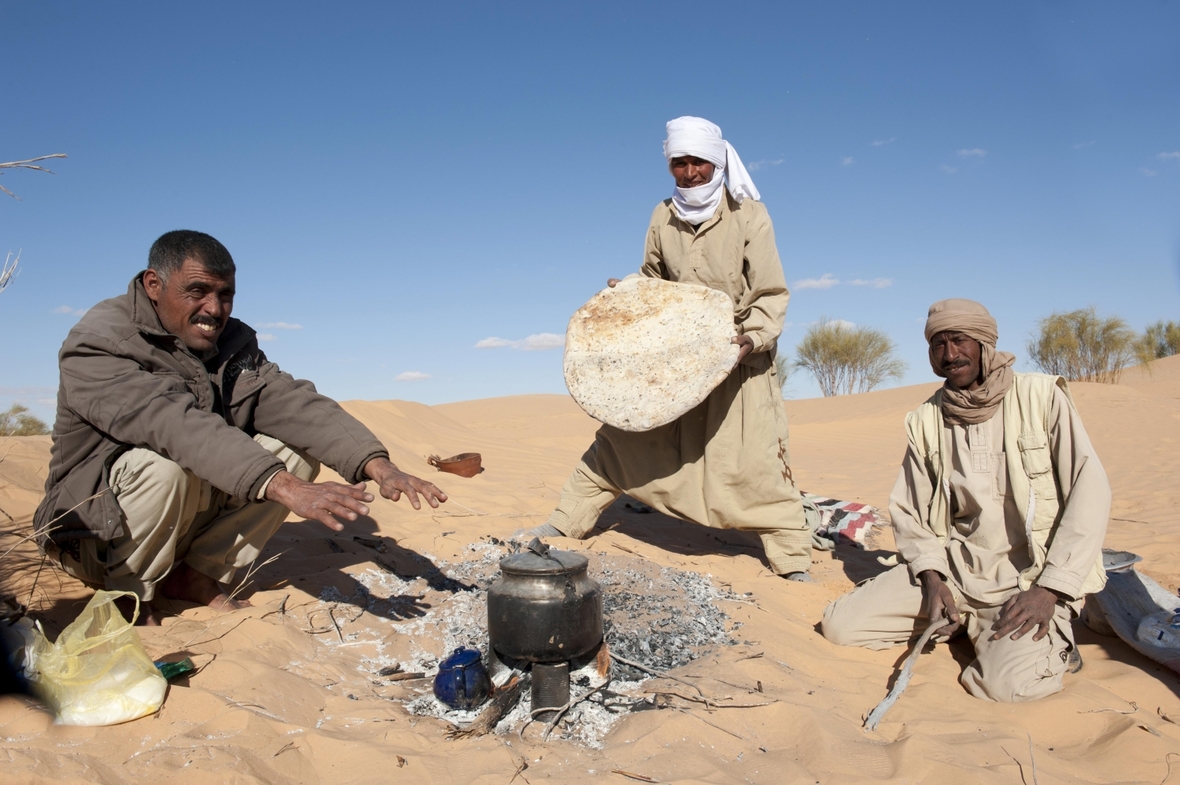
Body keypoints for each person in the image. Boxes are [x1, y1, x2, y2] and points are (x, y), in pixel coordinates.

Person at [34, 230, 447, 624]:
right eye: (197, 291)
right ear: (154, 284)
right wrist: (284, 487)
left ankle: (195, 574)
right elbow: (175, 425)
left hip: (174, 523)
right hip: (90, 535)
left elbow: (291, 402)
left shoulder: (231, 343)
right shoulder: (99, 343)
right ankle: (126, 595)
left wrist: (377, 464)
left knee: (295, 452)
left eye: (225, 294)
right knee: (164, 466)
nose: (214, 309)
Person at [524, 116, 813, 580]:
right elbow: (656, 281)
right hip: (671, 365)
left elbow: (770, 294)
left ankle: (791, 557)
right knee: (621, 442)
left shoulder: (749, 215)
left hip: (738, 361)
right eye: (680, 163)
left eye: (698, 161)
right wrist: (631, 295)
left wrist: (750, 340)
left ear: (716, 161)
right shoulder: (662, 215)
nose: (690, 172)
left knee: (750, 462)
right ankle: (566, 521)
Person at [821, 299, 1109, 702]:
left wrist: (1050, 590)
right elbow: (909, 510)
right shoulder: (927, 419)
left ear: (984, 345)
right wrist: (932, 578)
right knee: (841, 627)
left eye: (960, 341)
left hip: (1028, 579)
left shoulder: (1042, 398)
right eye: (939, 345)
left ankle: (1052, 642)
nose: (950, 355)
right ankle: (965, 623)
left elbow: (1089, 491)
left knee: (1007, 689)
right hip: (956, 569)